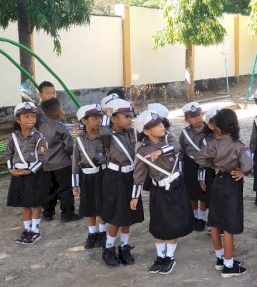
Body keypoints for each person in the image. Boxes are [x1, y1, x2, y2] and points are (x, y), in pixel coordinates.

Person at [132, 109, 193, 275]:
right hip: (157, 190)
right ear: (146, 131)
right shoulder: (142, 151)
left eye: (160, 123)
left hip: (174, 187)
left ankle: (169, 258)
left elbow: (176, 146)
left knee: (172, 224)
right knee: (158, 224)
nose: (161, 126)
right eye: (156, 125)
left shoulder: (169, 137)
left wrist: (160, 151)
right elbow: (139, 174)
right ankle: (160, 257)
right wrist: (134, 196)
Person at [195, 109, 253, 278]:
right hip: (232, 184)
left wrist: (213, 166)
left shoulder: (213, 143)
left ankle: (220, 259)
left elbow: (199, 158)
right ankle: (229, 265)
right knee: (228, 227)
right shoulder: (239, 146)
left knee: (215, 222)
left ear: (218, 129)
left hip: (217, 182)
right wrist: (242, 172)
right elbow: (248, 166)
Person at [100, 99, 144, 267]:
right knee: (116, 217)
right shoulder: (108, 136)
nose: (129, 119)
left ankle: (124, 247)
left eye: (130, 116)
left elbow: (142, 125)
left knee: (128, 215)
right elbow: (103, 131)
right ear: (114, 118)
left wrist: (135, 110)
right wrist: (107, 115)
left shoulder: (131, 132)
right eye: (126, 116)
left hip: (129, 176)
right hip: (114, 177)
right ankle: (108, 248)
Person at [6, 102, 50, 245]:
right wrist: (10, 168)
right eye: (26, 116)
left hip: (34, 174)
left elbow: (42, 157)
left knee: (36, 203)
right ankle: (27, 229)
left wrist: (30, 170)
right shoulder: (13, 137)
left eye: (33, 116)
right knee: (25, 204)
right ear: (18, 120)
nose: (31, 119)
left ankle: (35, 231)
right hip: (18, 174)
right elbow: (8, 154)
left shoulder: (39, 137)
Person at [72, 104, 109, 249]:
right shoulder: (79, 140)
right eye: (94, 118)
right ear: (84, 121)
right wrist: (75, 184)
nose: (98, 120)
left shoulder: (104, 136)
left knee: (102, 206)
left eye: (100, 117)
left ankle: (102, 233)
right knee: (88, 206)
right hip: (86, 177)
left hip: (102, 174)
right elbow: (75, 162)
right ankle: (92, 233)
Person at [39, 98, 80, 222]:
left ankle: (47, 213)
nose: (63, 110)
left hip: (46, 165)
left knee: (49, 189)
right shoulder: (61, 128)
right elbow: (69, 146)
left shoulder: (41, 127)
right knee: (66, 189)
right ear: (57, 111)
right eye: (62, 108)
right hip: (62, 164)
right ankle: (67, 213)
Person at [179, 102, 211, 231]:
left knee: (203, 192)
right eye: (192, 116)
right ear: (187, 119)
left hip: (205, 164)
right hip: (190, 164)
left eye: (198, 114)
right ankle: (194, 217)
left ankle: (202, 218)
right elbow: (181, 151)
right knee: (191, 193)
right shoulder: (185, 133)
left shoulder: (209, 130)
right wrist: (180, 170)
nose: (197, 118)